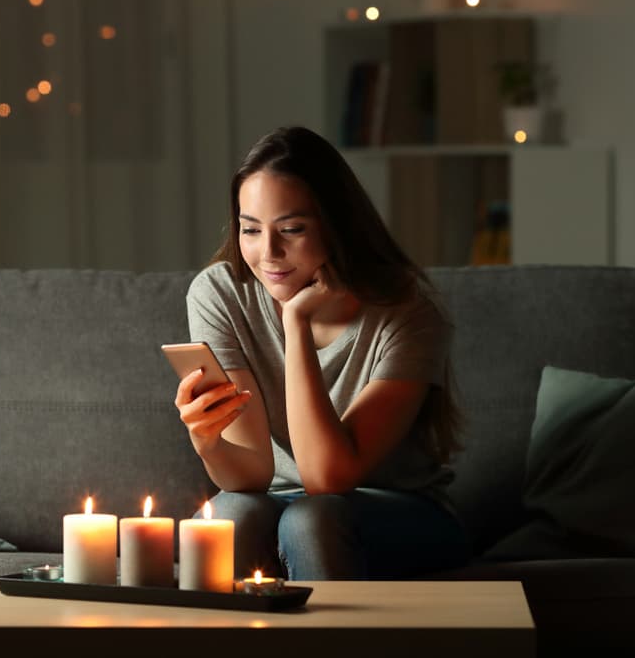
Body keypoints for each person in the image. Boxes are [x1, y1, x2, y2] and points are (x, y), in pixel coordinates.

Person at [173, 126, 470, 580]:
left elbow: (328, 478)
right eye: (250, 229)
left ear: (337, 226)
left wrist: (296, 323)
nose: (268, 253)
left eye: (291, 230)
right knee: (229, 516)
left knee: (313, 519)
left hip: (399, 509)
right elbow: (251, 473)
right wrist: (207, 441)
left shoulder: (408, 315)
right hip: (280, 500)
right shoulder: (218, 294)